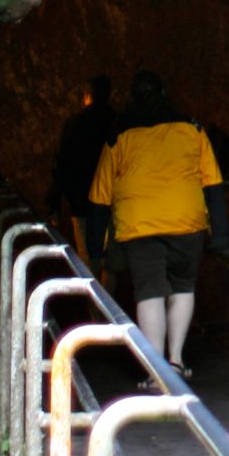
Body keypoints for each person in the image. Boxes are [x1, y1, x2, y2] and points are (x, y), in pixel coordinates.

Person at [89, 70, 218, 381]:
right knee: (183, 287)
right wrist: (222, 232)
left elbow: (99, 195)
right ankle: (175, 360)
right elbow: (213, 182)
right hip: (186, 220)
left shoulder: (117, 135)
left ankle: (156, 370)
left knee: (149, 292)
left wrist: (96, 246)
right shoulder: (192, 128)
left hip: (139, 224)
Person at [49, 75, 117, 270]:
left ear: (87, 96)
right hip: (112, 199)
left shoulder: (75, 123)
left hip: (81, 200)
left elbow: (62, 163)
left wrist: (55, 204)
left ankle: (92, 300)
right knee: (109, 262)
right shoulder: (118, 123)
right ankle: (108, 298)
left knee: (87, 259)